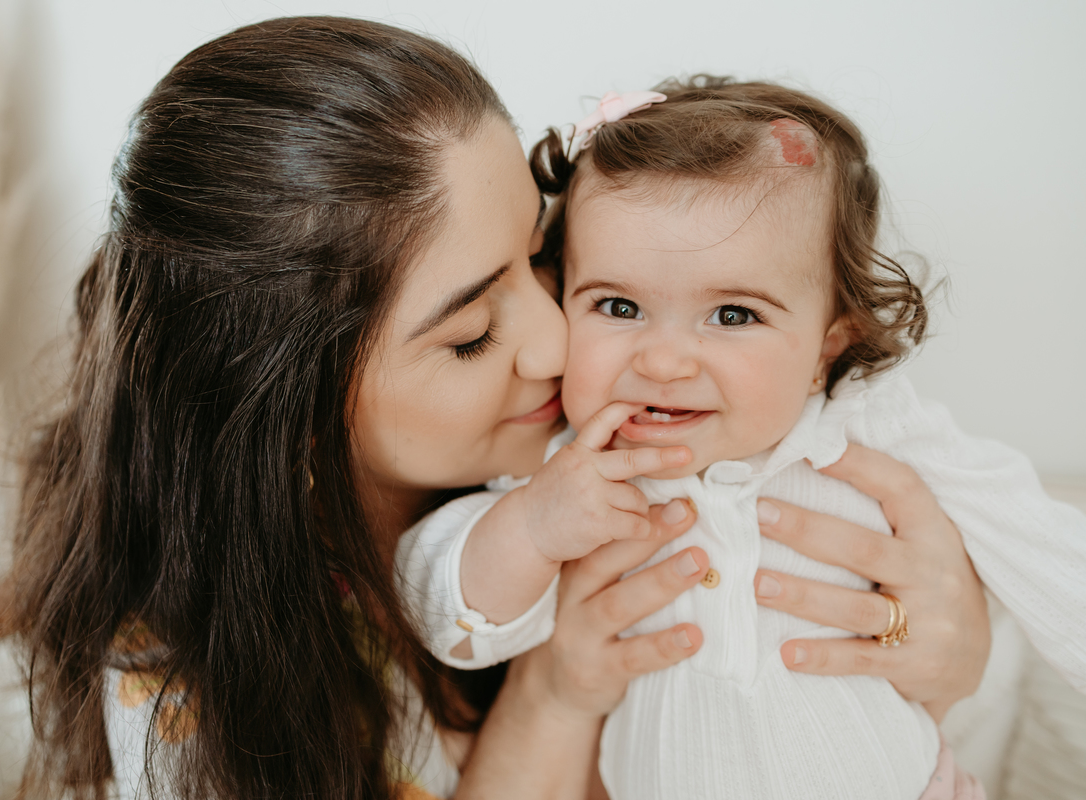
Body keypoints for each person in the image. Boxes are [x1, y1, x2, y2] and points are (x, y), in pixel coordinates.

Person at [9, 20, 993, 800]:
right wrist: (555, 692)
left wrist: (951, 645)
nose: (559, 342)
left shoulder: (613, 422)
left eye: (541, 257)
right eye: (474, 332)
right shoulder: (188, 692)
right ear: (291, 407)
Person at [400, 76, 1086, 799]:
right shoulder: (576, 464)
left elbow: (1042, 546)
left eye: (732, 315)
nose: (663, 362)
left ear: (827, 345)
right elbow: (438, 609)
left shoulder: (867, 423)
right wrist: (532, 529)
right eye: (619, 306)